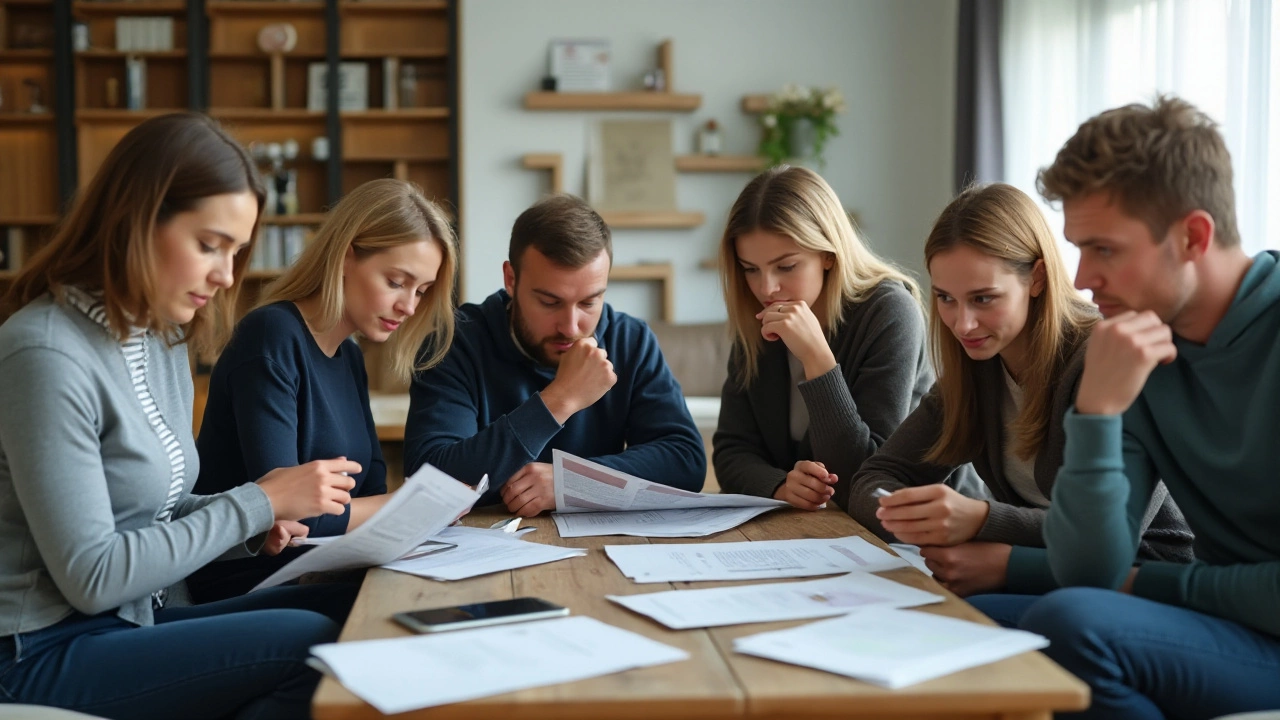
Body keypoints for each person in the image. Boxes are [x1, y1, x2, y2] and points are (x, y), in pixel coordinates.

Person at [0, 113, 358, 719]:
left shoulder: (159, 338)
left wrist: (252, 522)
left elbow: (154, 510)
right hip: (36, 647)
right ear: (137, 220)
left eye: (236, 251)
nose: (225, 275)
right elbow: (95, 573)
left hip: (126, 621)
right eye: (209, 244)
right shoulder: (44, 352)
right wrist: (257, 503)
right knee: (312, 647)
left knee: (348, 608)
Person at [1006, 96, 1280, 719]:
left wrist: (1150, 585)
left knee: (1071, 625)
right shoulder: (1135, 346)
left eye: (1103, 250)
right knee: (964, 622)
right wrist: (1098, 413)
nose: (1080, 278)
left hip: (1247, 628)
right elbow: (1087, 568)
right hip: (1227, 621)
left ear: (1193, 236)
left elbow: (1095, 594)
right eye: (1078, 248)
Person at [847, 183, 1193, 598]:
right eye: (946, 298)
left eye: (983, 298)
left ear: (1038, 278)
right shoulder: (977, 371)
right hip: (1037, 570)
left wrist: (980, 520)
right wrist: (914, 516)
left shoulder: (1106, 360)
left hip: (1141, 576)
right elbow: (874, 477)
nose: (962, 324)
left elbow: (1108, 534)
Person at [189, 178, 458, 601]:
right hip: (246, 585)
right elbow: (286, 510)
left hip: (321, 572)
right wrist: (412, 503)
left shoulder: (349, 358)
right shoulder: (271, 336)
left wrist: (404, 508)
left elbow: (365, 492)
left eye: (421, 291)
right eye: (396, 281)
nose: (409, 306)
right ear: (347, 255)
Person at [404, 194, 705, 516]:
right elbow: (429, 475)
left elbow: (685, 460)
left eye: (589, 302)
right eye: (549, 302)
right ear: (511, 279)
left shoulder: (630, 340)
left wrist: (573, 482)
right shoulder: (453, 342)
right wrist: (560, 399)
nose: (571, 326)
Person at [712, 166, 935, 511]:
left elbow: (867, 479)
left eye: (786, 266)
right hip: (813, 529)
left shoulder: (890, 313)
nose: (766, 288)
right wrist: (779, 486)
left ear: (829, 255)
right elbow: (731, 451)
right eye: (750, 269)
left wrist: (817, 359)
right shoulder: (755, 317)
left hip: (922, 533)